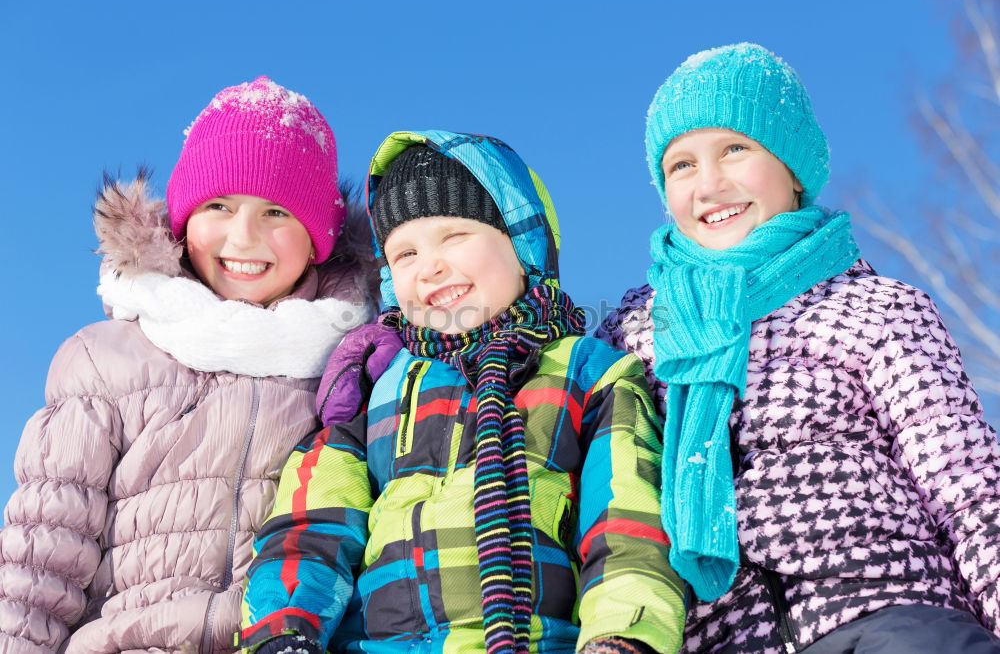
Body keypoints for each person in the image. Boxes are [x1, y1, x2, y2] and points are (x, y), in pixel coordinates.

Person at [597, 43, 1000, 653]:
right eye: (681, 165)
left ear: (792, 167)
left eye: (735, 148)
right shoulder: (628, 335)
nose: (709, 184)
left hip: (884, 609)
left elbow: (966, 485)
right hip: (723, 637)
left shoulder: (875, 307)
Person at [238, 131, 685, 654]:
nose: (429, 266)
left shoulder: (588, 375)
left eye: (454, 236)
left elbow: (628, 526)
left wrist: (620, 636)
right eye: (404, 253)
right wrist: (283, 631)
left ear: (522, 247)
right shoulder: (374, 388)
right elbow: (312, 525)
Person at [0, 77, 375, 653]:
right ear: (182, 218)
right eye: (219, 206)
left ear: (318, 235)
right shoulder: (107, 360)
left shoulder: (354, 365)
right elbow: (41, 555)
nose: (243, 236)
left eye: (276, 210)